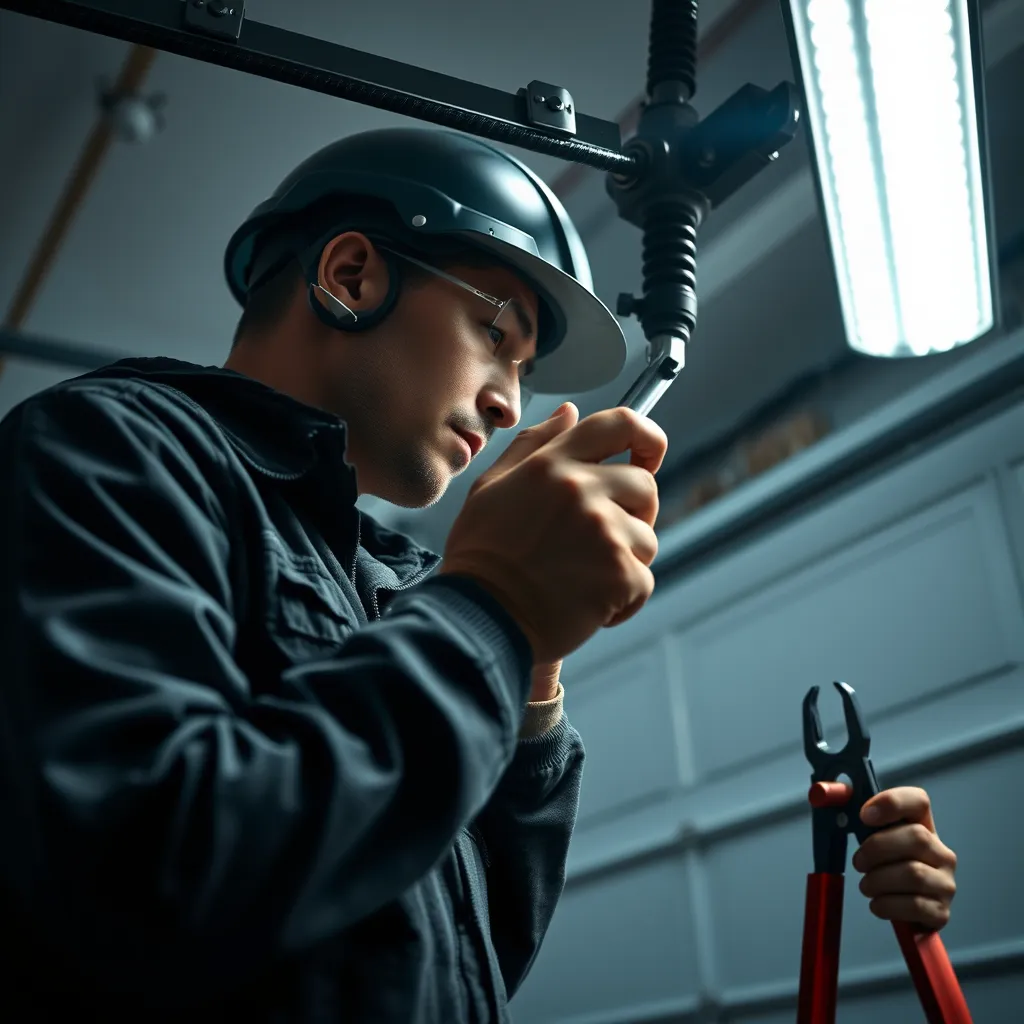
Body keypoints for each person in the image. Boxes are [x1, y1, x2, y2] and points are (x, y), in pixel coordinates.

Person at [0, 128, 958, 1022]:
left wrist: (531, 673)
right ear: (349, 274)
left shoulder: (397, 581)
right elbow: (144, 876)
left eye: (527, 371)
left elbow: (471, 952)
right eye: (498, 334)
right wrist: (492, 605)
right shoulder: (110, 451)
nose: (509, 405)